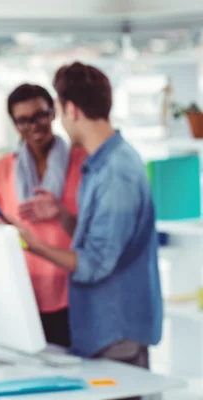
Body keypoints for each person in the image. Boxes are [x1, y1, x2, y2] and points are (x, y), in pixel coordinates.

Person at [9, 62, 163, 378]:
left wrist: (32, 244)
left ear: (72, 110)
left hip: (116, 329)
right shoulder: (99, 164)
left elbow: (95, 263)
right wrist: (64, 217)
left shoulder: (115, 173)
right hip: (99, 327)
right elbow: (99, 240)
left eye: (59, 112)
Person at [0, 84, 87, 348]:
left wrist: (60, 213)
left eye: (40, 115)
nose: (34, 126)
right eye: (23, 120)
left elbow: (91, 237)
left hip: (71, 294)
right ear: (15, 124)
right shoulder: (3, 169)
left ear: (53, 111)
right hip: (21, 292)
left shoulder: (82, 162)